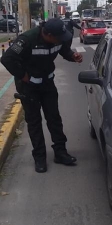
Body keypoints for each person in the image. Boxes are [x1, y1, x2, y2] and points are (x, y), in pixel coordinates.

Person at [1, 18, 83, 173]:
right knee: (34, 122)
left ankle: (60, 152)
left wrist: (72, 56)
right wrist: (24, 76)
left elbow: (63, 49)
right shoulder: (28, 39)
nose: (61, 40)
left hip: (47, 83)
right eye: (58, 37)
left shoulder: (57, 38)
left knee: (54, 118)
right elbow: (7, 58)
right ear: (48, 34)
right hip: (29, 87)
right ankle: (39, 157)